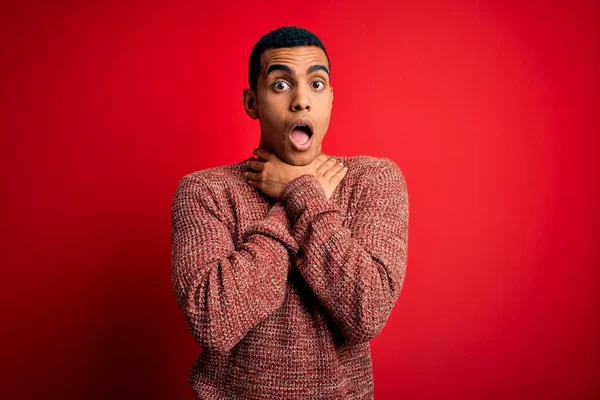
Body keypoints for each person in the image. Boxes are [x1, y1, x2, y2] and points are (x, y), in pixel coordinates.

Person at [171, 26, 409, 399]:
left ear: (330, 99)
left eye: (316, 84)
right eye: (281, 85)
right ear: (252, 102)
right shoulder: (204, 191)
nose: (301, 100)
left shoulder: (372, 179)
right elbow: (214, 322)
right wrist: (300, 194)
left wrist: (299, 190)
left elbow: (366, 311)